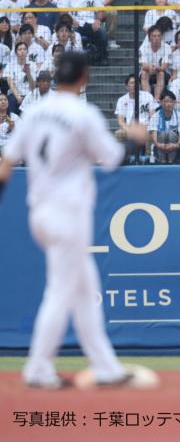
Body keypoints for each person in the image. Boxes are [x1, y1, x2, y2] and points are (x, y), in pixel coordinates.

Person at [0, 52, 147, 388]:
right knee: (61, 292)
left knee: (85, 289)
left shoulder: (34, 111)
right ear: (84, 77)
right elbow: (112, 160)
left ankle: (106, 368)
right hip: (67, 214)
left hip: (40, 211)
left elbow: (6, 164)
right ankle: (37, 367)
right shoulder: (83, 113)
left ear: (56, 76)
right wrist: (135, 139)